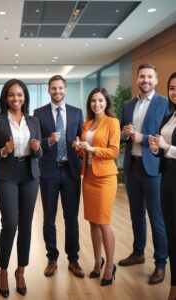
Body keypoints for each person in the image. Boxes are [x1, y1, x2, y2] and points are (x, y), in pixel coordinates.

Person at [0, 79, 41, 297]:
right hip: (6, 175)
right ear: (5, 97)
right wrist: (4, 150)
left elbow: (39, 152)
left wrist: (37, 148)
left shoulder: (34, 120)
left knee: (26, 225)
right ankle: (3, 271)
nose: (16, 98)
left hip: (30, 175)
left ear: (25, 97)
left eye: (19, 94)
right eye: (11, 95)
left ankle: (20, 271)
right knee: (10, 223)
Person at [119, 63, 169, 284]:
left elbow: (167, 135)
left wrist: (144, 138)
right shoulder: (128, 105)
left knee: (157, 217)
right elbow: (122, 135)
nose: (145, 80)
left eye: (149, 77)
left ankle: (160, 264)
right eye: (142, 76)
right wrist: (124, 133)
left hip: (154, 168)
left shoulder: (165, 103)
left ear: (156, 80)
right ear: (137, 79)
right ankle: (138, 253)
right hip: (132, 167)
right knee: (136, 214)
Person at [33, 75, 84, 278]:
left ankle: (73, 259)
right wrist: (48, 141)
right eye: (53, 88)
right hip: (49, 172)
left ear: (66, 89)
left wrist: (79, 146)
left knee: (71, 217)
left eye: (60, 88)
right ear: (48, 90)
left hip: (71, 170)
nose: (57, 92)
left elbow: (81, 139)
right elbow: (34, 142)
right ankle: (52, 258)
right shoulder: (38, 114)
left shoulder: (76, 112)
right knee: (49, 218)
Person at [74, 88, 120, 286]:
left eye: (100, 100)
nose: (97, 104)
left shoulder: (113, 122)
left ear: (106, 102)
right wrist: (79, 149)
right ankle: (97, 261)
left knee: (103, 222)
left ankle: (110, 265)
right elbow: (85, 154)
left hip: (106, 178)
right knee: (92, 222)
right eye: (93, 101)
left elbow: (114, 151)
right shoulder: (87, 123)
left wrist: (91, 148)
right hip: (89, 176)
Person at [148, 72, 176, 300]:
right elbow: (164, 149)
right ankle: (174, 284)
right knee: (171, 233)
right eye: (173, 88)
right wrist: (156, 147)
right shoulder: (170, 116)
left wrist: (167, 147)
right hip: (167, 179)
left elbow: (170, 148)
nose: (175, 92)